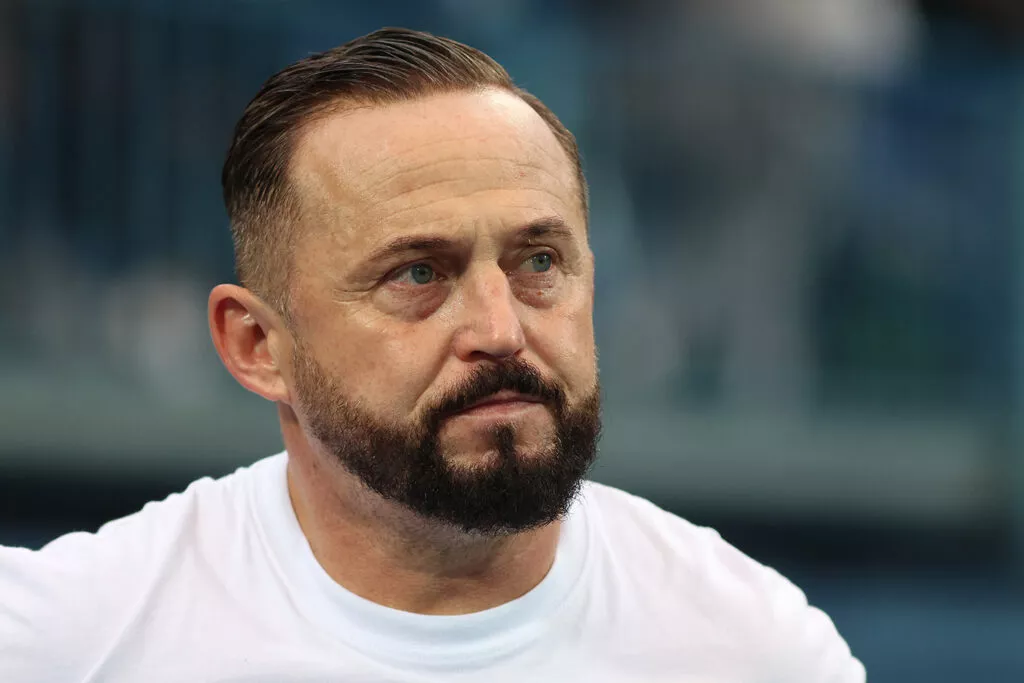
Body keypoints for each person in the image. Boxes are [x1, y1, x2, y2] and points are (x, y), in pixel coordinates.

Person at [0, 28, 865, 682]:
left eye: (539, 262)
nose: (501, 328)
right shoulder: (66, 638)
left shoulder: (754, 648)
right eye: (418, 273)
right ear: (257, 345)